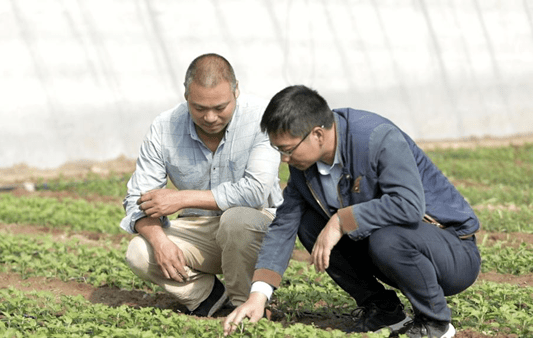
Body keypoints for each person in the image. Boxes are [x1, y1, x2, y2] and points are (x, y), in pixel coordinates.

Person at [224, 85, 481, 337]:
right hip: (389, 250)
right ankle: (385, 312)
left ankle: (436, 323)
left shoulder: (376, 138)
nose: (284, 159)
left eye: (288, 150)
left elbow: (409, 205)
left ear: (317, 134)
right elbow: (283, 225)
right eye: (278, 150)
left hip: (452, 252)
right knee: (308, 224)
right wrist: (258, 295)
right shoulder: (304, 167)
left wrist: (340, 221)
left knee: (386, 238)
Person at [120, 53, 283, 317]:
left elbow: (255, 191)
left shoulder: (262, 118)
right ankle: (208, 297)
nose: (209, 117)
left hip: (256, 228)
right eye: (199, 108)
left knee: (236, 221)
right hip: (201, 230)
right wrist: (160, 242)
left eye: (220, 107)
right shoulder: (164, 128)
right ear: (186, 97)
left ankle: (246, 304)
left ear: (236, 91)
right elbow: (137, 200)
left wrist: (181, 198)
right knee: (140, 251)